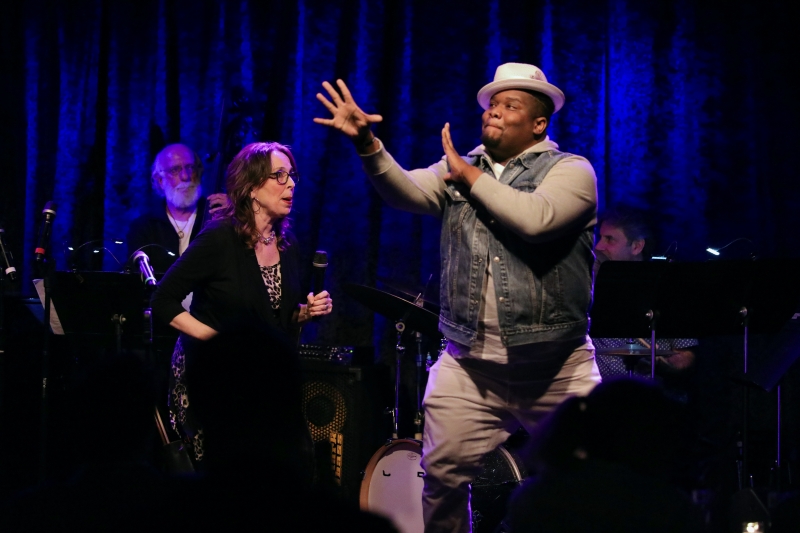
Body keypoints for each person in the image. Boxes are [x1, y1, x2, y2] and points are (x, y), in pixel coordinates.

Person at [315, 62, 601, 533]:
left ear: (538, 123)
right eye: (492, 104)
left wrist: (467, 174)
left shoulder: (571, 171)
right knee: (441, 479)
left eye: (511, 105)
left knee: (592, 482)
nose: (494, 112)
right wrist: (367, 144)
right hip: (470, 363)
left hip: (555, 366)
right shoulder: (464, 169)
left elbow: (537, 219)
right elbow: (403, 191)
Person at [150, 141, 333, 463]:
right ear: (251, 188)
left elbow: (275, 317)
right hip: (210, 379)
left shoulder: (287, 244)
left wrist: (305, 313)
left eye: (292, 175)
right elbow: (163, 300)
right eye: (278, 175)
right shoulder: (220, 238)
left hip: (259, 380)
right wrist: (220, 343)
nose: (290, 183)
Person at [592, 206, 696, 378]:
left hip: (654, 397)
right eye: (600, 237)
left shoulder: (667, 290)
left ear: (637, 246)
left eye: (610, 239)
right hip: (602, 397)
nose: (599, 246)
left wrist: (662, 364)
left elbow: (685, 357)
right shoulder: (591, 288)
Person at [127, 143, 231, 274]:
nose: (186, 176)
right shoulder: (144, 227)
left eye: (190, 168)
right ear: (160, 180)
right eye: (175, 170)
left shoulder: (216, 214)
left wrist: (236, 216)